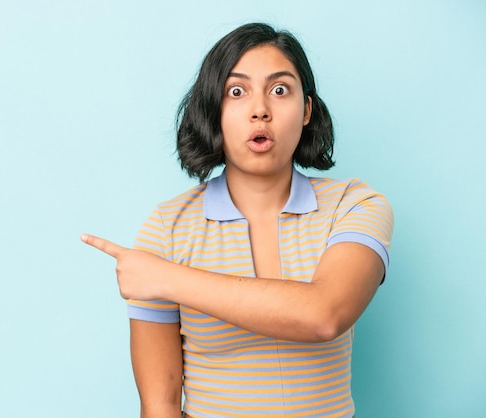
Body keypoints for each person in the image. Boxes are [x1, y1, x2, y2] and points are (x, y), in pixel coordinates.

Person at [81, 22, 393, 418]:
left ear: (307, 110)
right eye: (236, 91)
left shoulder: (355, 204)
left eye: (280, 90)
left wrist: (165, 277)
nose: (260, 109)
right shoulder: (167, 228)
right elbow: (159, 403)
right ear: (214, 109)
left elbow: (324, 314)